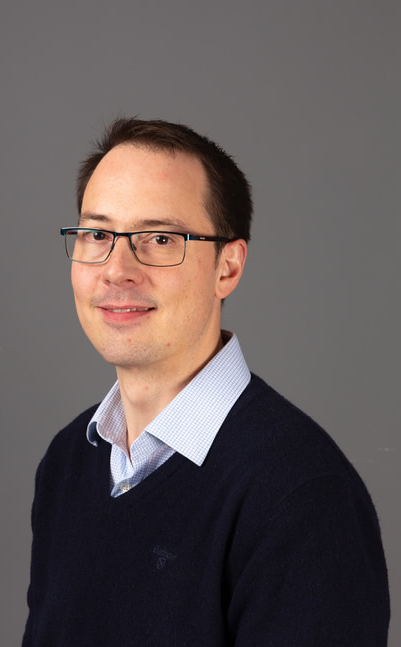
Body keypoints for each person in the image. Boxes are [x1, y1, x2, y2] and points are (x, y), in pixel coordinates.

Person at [22, 118, 390, 646]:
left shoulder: (303, 496)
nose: (117, 269)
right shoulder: (68, 464)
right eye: (98, 234)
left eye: (160, 238)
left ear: (227, 268)